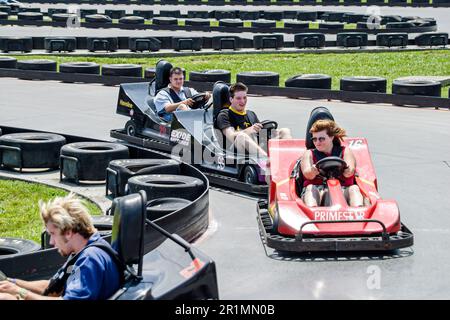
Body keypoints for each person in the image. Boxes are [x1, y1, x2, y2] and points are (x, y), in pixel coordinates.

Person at [0, 193, 121, 300]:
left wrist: (20, 292)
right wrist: (12, 283)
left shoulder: (90, 260)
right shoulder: (82, 252)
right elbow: (53, 286)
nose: (51, 242)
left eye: (53, 234)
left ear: (68, 232)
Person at [215, 82, 292, 157]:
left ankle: (289, 159)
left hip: (254, 148)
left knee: (284, 131)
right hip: (233, 153)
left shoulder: (251, 114)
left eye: (244, 97)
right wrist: (249, 130)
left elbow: (261, 134)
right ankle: (267, 161)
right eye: (238, 98)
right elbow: (231, 136)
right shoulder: (224, 115)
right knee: (242, 136)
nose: (242, 101)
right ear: (231, 99)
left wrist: (266, 130)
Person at [300, 119, 364, 207]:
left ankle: (359, 214)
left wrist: (346, 169)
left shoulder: (345, 151)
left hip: (342, 190)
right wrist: (313, 170)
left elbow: (350, 172)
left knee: (354, 188)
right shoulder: (309, 153)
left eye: (321, 139)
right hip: (318, 191)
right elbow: (307, 174)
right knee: (311, 188)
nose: (317, 142)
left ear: (331, 137)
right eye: (314, 139)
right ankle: (313, 213)